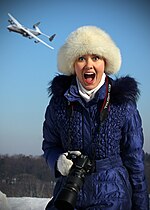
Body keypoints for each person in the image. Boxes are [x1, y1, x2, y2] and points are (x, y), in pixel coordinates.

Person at [42, 26, 149, 210]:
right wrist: (58, 162)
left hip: (113, 198)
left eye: (96, 57)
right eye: (81, 58)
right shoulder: (58, 103)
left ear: (105, 63)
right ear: (73, 64)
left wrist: (142, 205)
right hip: (69, 197)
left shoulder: (122, 103)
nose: (89, 65)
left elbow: (134, 160)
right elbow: (50, 145)